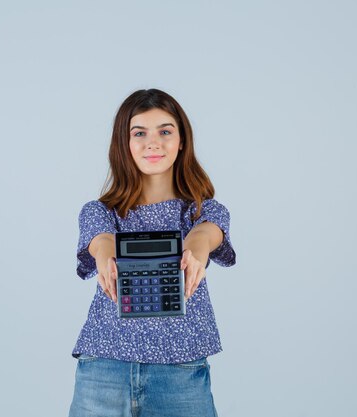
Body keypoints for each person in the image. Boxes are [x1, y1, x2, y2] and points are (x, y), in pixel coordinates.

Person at [68, 89, 236, 417]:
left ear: (182, 140)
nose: (152, 142)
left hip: (180, 369)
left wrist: (195, 248)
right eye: (139, 133)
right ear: (124, 143)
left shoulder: (205, 213)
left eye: (165, 131)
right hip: (104, 367)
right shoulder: (100, 212)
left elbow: (207, 233)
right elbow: (100, 240)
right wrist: (105, 252)